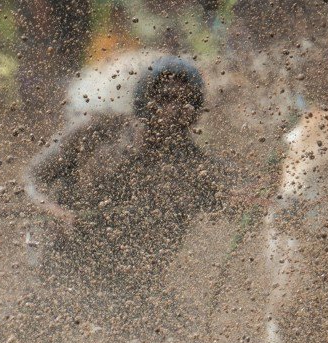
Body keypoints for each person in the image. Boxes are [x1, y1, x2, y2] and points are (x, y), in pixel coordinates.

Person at [24, 55, 230, 320]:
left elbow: (241, 199)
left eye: (187, 101)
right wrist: (52, 211)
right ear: (145, 101)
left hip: (138, 295)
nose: (176, 109)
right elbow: (32, 178)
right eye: (166, 98)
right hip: (65, 280)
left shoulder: (199, 168)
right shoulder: (97, 133)